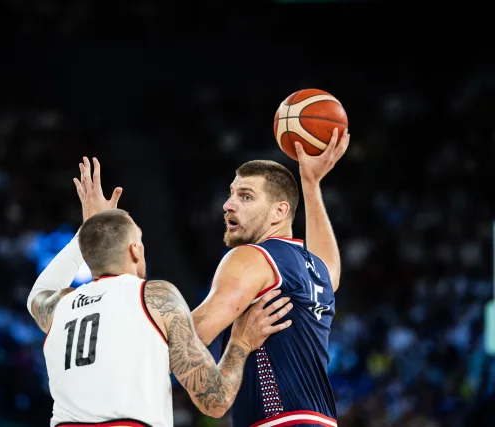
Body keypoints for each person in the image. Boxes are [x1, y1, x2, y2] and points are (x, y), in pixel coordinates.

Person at [26, 157, 295, 427]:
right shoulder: (155, 297)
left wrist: (88, 230)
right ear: (134, 250)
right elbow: (214, 401)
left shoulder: (58, 305)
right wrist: (241, 342)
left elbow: (38, 292)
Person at [192, 129, 350, 427]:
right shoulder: (315, 271)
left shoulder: (252, 257)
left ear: (280, 212)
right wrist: (311, 183)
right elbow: (331, 267)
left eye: (246, 196)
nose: (228, 204)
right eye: (231, 194)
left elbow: (191, 335)